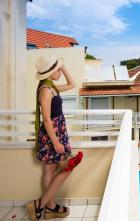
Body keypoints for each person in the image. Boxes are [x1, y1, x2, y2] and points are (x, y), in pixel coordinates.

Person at [26, 55, 83, 221]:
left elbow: (72, 84)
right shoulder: (45, 91)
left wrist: (62, 66)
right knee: (67, 167)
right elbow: (47, 119)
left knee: (50, 169)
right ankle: (42, 204)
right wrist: (56, 142)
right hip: (53, 135)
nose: (59, 72)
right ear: (50, 72)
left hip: (58, 132)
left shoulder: (52, 87)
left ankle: (49, 207)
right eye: (57, 70)